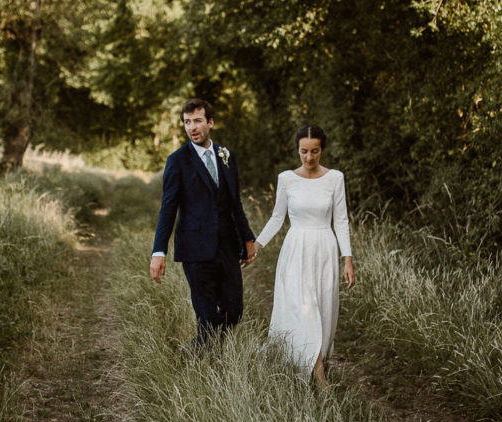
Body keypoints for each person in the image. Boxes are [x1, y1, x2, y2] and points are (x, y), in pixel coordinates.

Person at [151, 98, 258, 347]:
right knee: (207, 317)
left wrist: (248, 238)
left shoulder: (226, 155)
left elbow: (235, 202)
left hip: (227, 247)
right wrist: (159, 251)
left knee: (234, 311)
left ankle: (199, 347)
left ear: (210, 122)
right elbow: (168, 209)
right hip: (195, 249)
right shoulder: (177, 160)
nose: (192, 127)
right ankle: (205, 361)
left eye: (197, 121)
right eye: (187, 122)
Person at [254, 124, 355, 385]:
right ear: (297, 150)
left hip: (324, 249)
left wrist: (348, 259)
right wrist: (257, 244)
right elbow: (277, 217)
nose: (309, 158)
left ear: (322, 150)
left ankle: (313, 363)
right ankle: (320, 381)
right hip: (296, 249)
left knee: (322, 311)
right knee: (303, 310)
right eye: (303, 151)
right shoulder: (286, 179)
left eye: (314, 151)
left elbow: (341, 221)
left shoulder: (335, 178)